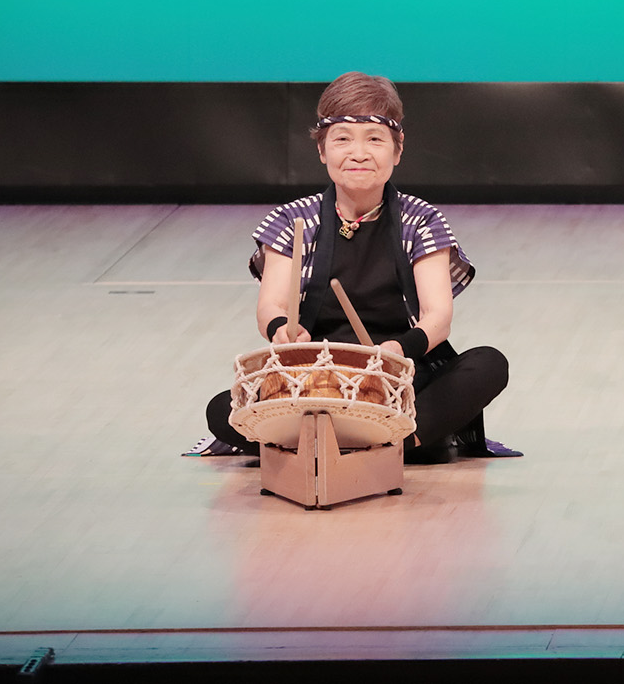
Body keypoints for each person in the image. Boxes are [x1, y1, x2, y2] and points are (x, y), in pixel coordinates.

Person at [206, 72, 511, 463]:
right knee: (223, 409)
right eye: (343, 139)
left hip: (401, 379)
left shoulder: (421, 220)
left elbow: (438, 318)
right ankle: (391, 447)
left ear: (398, 149)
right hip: (315, 382)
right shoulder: (292, 220)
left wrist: (395, 352)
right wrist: (282, 329)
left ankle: (338, 448)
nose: (359, 153)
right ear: (322, 149)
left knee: (488, 364)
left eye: (375, 139)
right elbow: (271, 306)